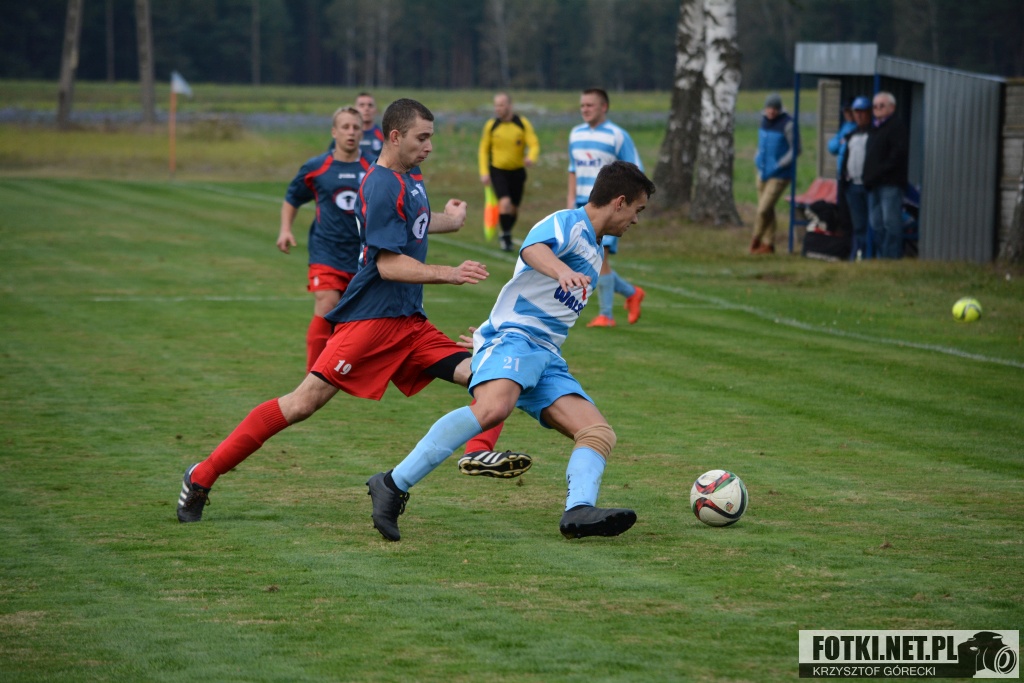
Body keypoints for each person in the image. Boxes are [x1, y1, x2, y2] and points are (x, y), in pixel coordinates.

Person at [177, 99, 532, 523]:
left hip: (410, 324)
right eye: (422, 138)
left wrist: (451, 221)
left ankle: (478, 453)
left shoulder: (409, 176)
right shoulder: (380, 184)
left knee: (492, 375)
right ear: (395, 137)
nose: (429, 147)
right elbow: (388, 265)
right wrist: (449, 273)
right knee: (302, 403)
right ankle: (201, 475)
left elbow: (416, 220)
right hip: (370, 321)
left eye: (431, 138)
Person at [366, 160, 656, 542]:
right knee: (493, 408)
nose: (636, 220)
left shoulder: (596, 249)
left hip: (545, 354)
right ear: (619, 202)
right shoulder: (569, 223)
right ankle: (392, 483)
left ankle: (579, 510)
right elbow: (532, 249)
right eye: (637, 209)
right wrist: (557, 275)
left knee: (597, 432)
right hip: (517, 338)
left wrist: (489, 335)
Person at [277, 106, 372, 372]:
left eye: (356, 127)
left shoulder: (375, 168)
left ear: (362, 132)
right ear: (334, 132)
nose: (351, 132)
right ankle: (313, 377)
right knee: (326, 304)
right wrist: (285, 229)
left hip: (363, 256)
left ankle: (343, 371)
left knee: (360, 321)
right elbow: (293, 197)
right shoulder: (317, 167)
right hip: (326, 252)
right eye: (345, 127)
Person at [567, 88, 646, 328]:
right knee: (587, 258)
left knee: (600, 259)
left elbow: (634, 172)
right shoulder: (576, 134)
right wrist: (570, 201)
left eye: (590, 105)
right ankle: (632, 293)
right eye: (582, 105)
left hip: (610, 208)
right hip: (583, 206)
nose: (585, 109)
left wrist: (625, 206)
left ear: (604, 107)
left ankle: (606, 315)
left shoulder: (617, 136)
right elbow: (573, 170)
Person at [478, 92, 541, 252]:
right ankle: (506, 237)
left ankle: (506, 232)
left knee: (513, 209)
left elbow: (534, 144)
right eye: (496, 105)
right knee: (504, 203)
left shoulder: (522, 123)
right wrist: (484, 172)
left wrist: (531, 157)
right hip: (498, 171)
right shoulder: (491, 125)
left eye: (501, 105)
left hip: (518, 172)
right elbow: (483, 150)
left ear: (509, 106)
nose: (497, 108)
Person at [863, 91, 910, 259]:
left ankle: (892, 256)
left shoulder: (897, 127)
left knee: (890, 222)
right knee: (876, 223)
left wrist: (878, 171)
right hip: (873, 183)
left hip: (890, 183)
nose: (877, 109)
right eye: (875, 106)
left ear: (892, 107)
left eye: (881, 106)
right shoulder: (875, 128)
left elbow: (897, 156)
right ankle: (882, 255)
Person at [751, 93, 799, 255]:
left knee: (762, 209)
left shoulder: (788, 124)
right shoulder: (763, 121)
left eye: (774, 109)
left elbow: (796, 149)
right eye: (769, 108)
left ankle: (755, 239)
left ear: (779, 109)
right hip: (762, 172)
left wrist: (780, 164)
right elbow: (761, 145)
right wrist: (757, 158)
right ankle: (769, 244)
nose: (771, 111)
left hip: (780, 174)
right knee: (768, 209)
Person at [837, 97, 874, 257]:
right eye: (856, 112)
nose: (859, 115)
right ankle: (859, 254)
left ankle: (873, 255)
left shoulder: (874, 134)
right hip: (852, 186)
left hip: (869, 186)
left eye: (862, 112)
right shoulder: (851, 134)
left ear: (869, 113)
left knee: (873, 224)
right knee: (858, 225)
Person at [355, 92, 385, 161]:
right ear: (355, 109)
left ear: (376, 110)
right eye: (362, 105)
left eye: (370, 105)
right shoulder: (347, 135)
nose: (366, 108)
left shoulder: (384, 136)